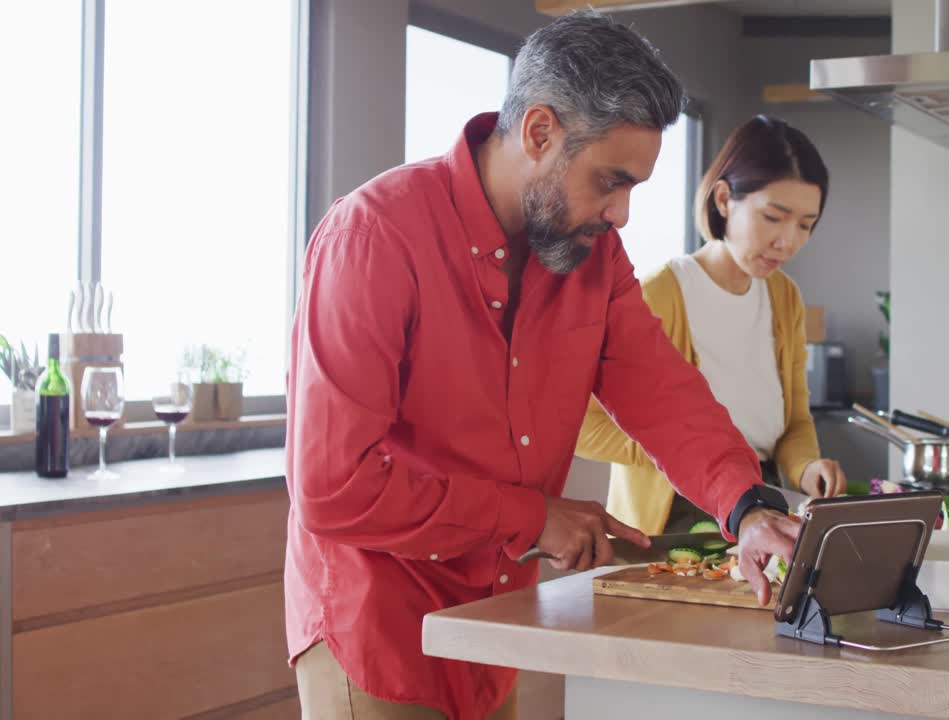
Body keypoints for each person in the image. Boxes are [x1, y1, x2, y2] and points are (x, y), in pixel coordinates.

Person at [284, 10, 799, 720]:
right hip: (378, 622)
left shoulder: (592, 254)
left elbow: (661, 391)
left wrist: (746, 507)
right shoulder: (375, 236)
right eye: (610, 181)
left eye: (633, 189)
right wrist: (531, 519)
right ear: (539, 132)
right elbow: (333, 485)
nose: (621, 215)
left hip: (498, 619)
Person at [577, 115, 848, 536]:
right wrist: (679, 448)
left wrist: (806, 467)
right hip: (673, 516)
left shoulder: (784, 298)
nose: (788, 241)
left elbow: (793, 422)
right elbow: (582, 423)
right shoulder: (659, 293)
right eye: (774, 217)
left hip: (761, 500)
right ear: (724, 200)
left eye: (805, 225)